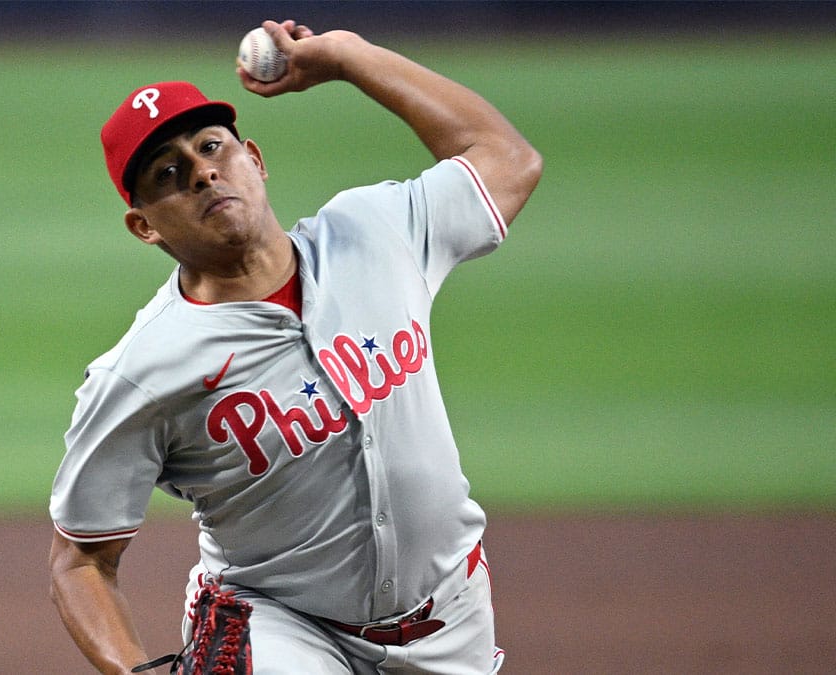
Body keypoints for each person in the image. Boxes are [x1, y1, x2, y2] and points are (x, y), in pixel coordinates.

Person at [49, 18, 542, 674]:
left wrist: (349, 57)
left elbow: (508, 159)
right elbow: (80, 559)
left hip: (451, 614)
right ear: (143, 226)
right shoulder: (142, 370)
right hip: (280, 627)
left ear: (254, 158)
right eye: (171, 172)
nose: (202, 173)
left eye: (211, 146)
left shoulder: (376, 231)